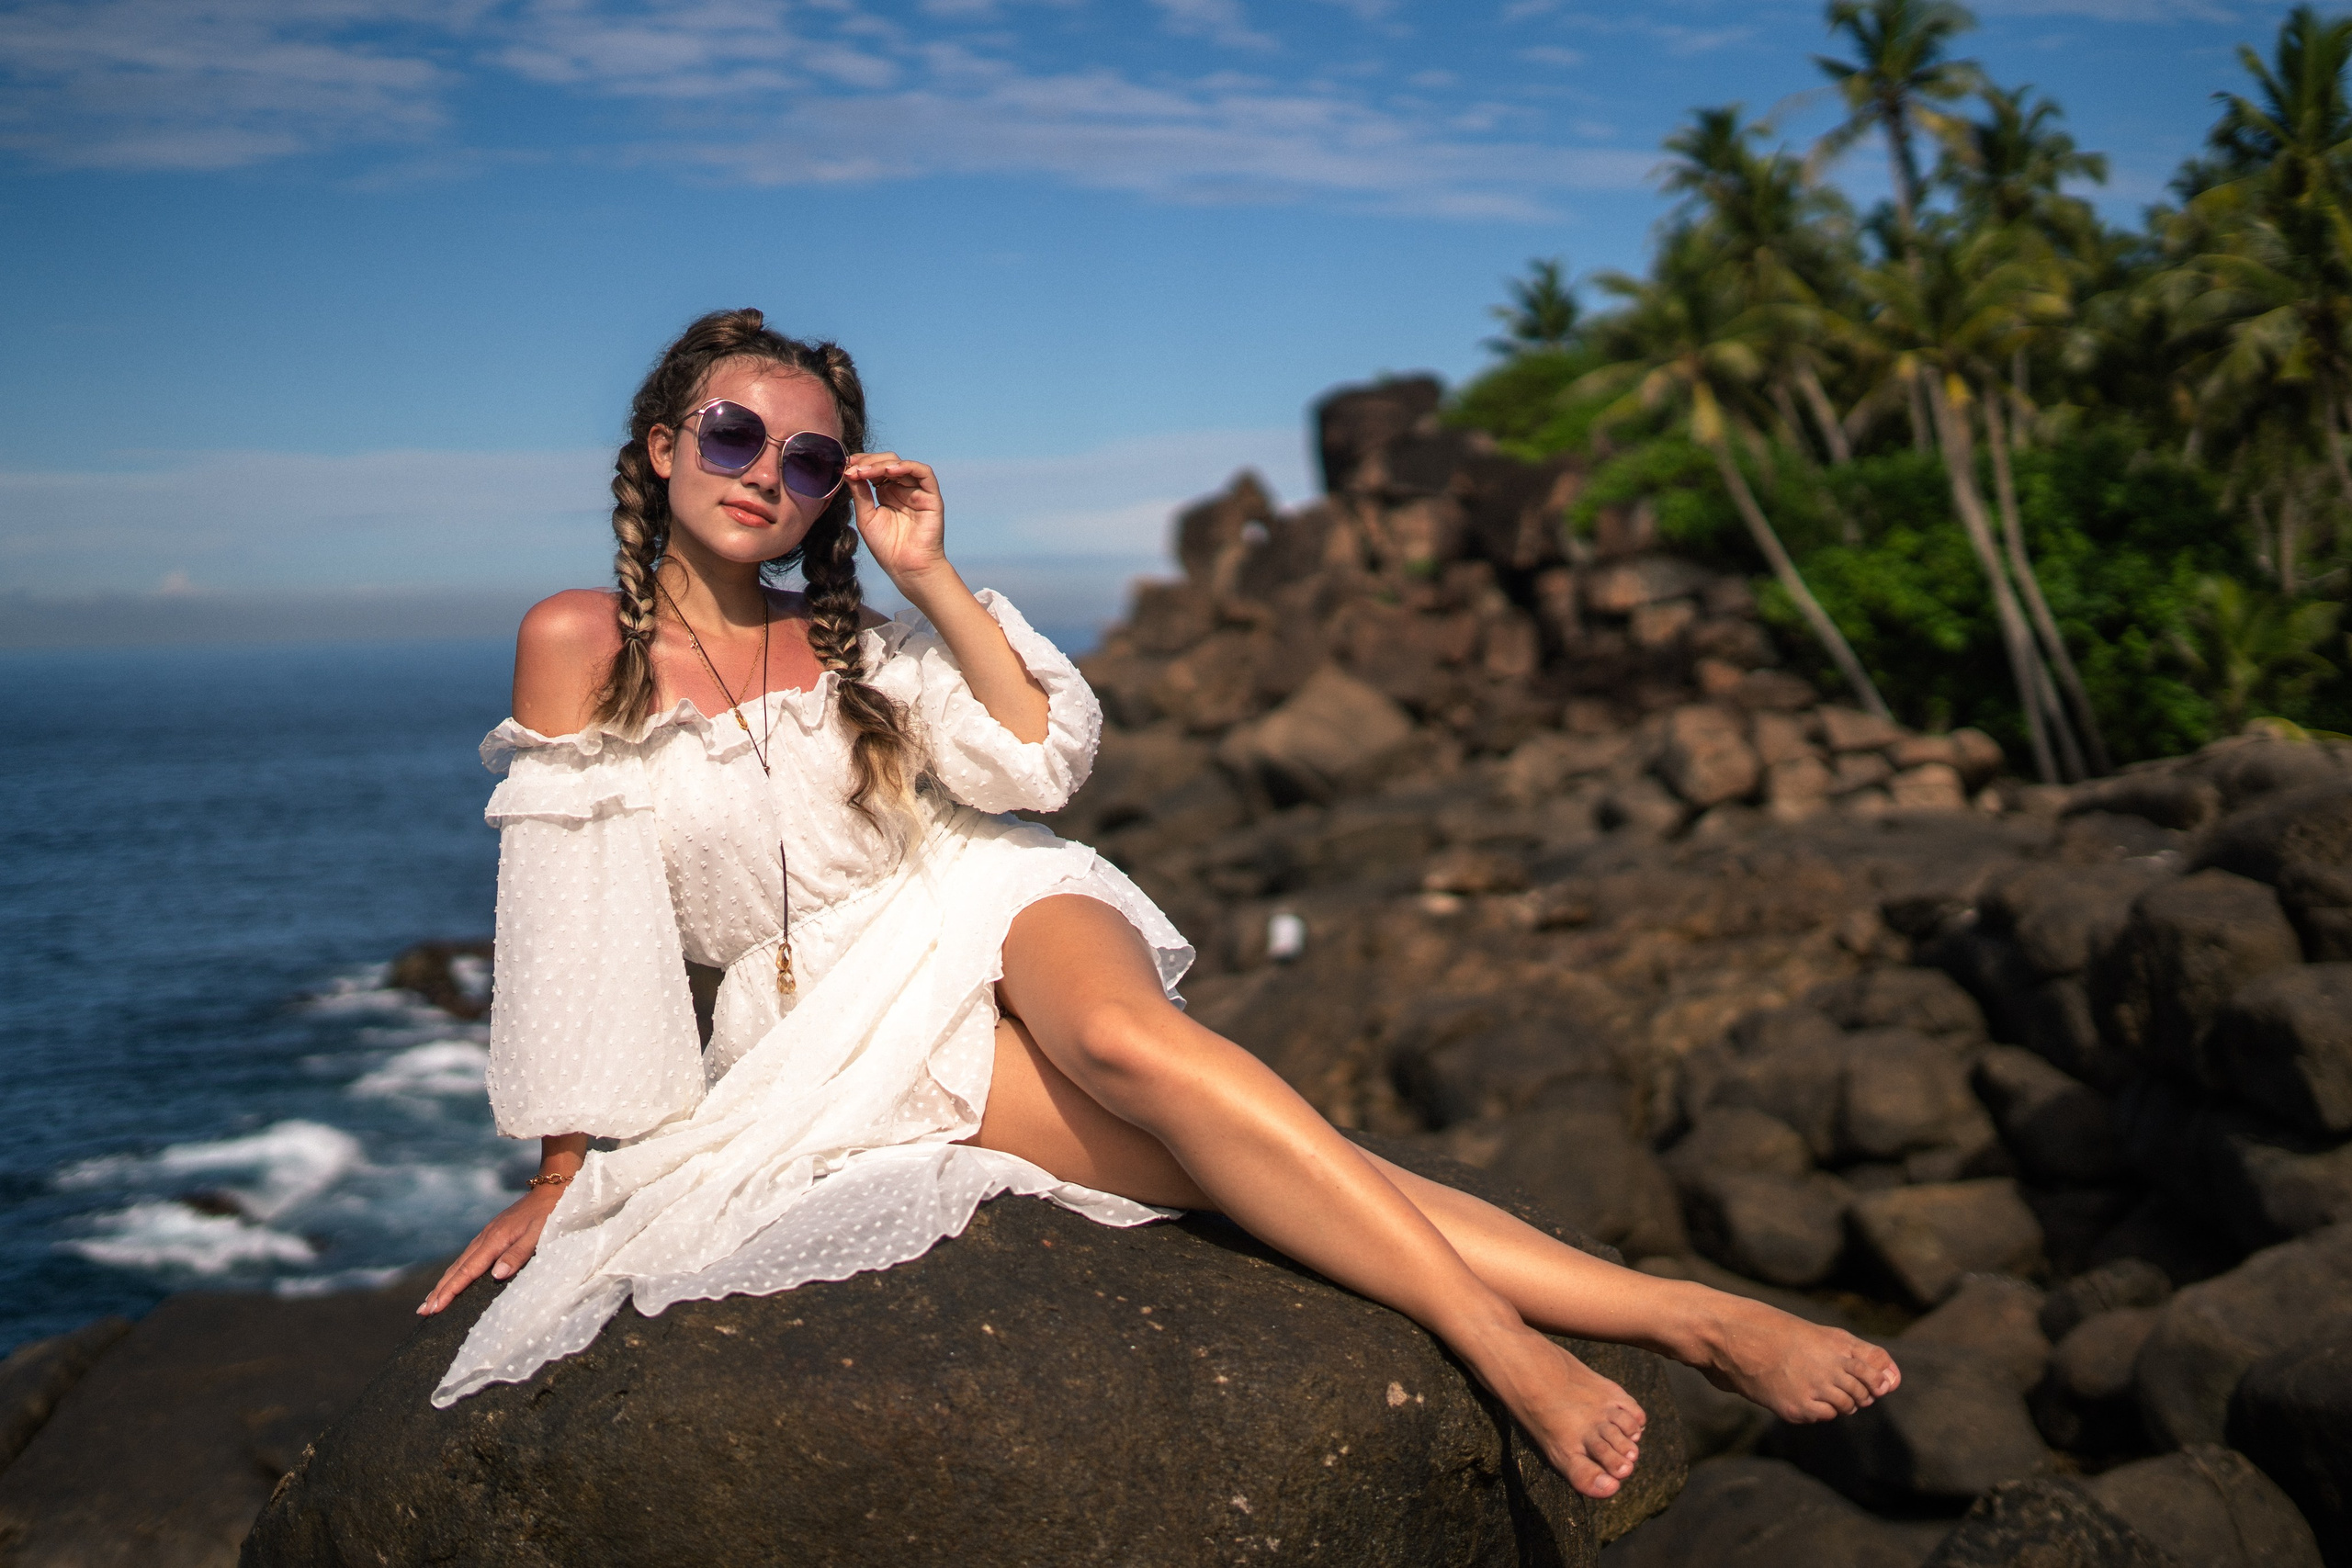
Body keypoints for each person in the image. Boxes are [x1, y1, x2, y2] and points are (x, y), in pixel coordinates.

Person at [416, 307, 1899, 1499]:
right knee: (1203, 1159)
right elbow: (574, 909)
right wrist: (564, 1165)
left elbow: (1036, 764)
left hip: (980, 892)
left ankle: (1498, 1345)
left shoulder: (858, 632)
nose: (764, 473)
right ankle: (1690, 1317)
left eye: (810, 462)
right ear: (666, 442)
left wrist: (929, 576)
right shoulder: (575, 642)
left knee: (1136, 1050)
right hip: (824, 1016)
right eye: (734, 434)